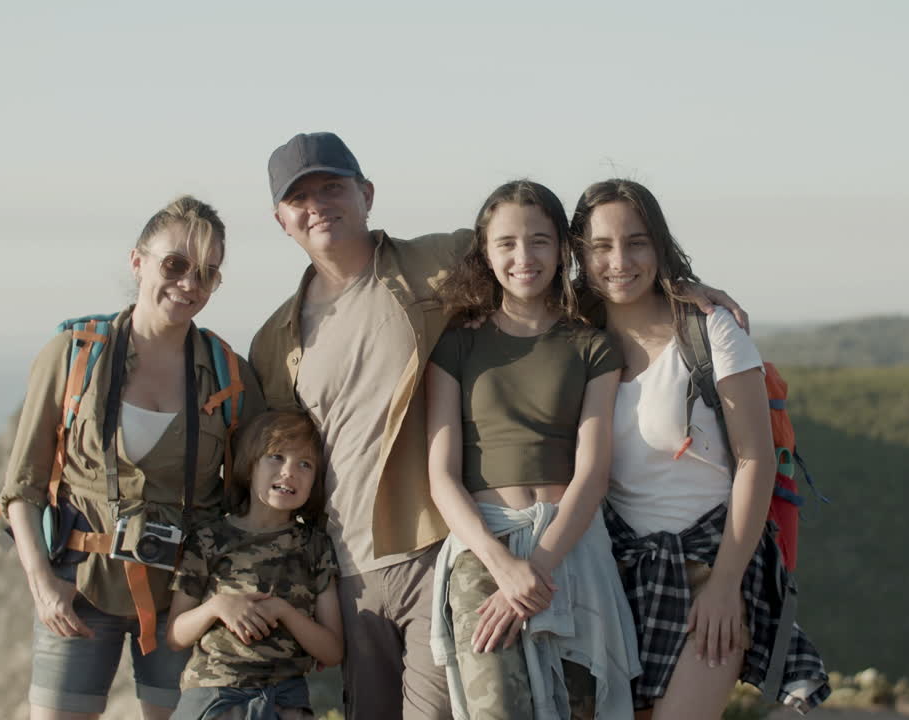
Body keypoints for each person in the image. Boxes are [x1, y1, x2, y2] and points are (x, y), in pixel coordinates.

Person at [247, 132, 744, 720]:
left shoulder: (431, 261)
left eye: (332, 186)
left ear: (366, 194)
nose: (318, 205)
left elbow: (554, 274)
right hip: (351, 559)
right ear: (280, 218)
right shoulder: (275, 338)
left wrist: (674, 291)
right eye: (299, 197)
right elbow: (278, 455)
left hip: (441, 545)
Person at [569, 179, 831, 718]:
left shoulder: (713, 331)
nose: (620, 260)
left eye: (637, 242)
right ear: (579, 255)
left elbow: (755, 459)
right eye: (601, 246)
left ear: (660, 246)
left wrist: (726, 586)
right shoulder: (572, 339)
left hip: (713, 564)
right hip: (616, 577)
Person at [0, 195, 267, 720]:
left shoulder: (228, 375)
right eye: (176, 264)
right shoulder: (75, 354)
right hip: (77, 587)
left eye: (208, 274)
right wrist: (42, 584)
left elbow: (252, 492)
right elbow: (22, 485)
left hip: (183, 598)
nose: (190, 283)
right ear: (137, 261)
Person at [425, 180, 641, 720]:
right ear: (486, 252)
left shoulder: (591, 345)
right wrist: (503, 567)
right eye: (508, 243)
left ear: (563, 250)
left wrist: (539, 566)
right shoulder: (457, 343)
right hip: (483, 548)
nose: (525, 257)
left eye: (540, 240)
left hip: (570, 549)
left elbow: (593, 473)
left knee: (578, 710)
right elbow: (442, 476)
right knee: (496, 708)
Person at [167, 409, 343, 720]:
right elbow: (175, 636)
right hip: (214, 698)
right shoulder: (208, 538)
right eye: (276, 457)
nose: (289, 472)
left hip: (284, 701)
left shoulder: (315, 546)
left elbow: (332, 650)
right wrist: (217, 606)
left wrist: (284, 611)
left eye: (305, 464)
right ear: (249, 465)